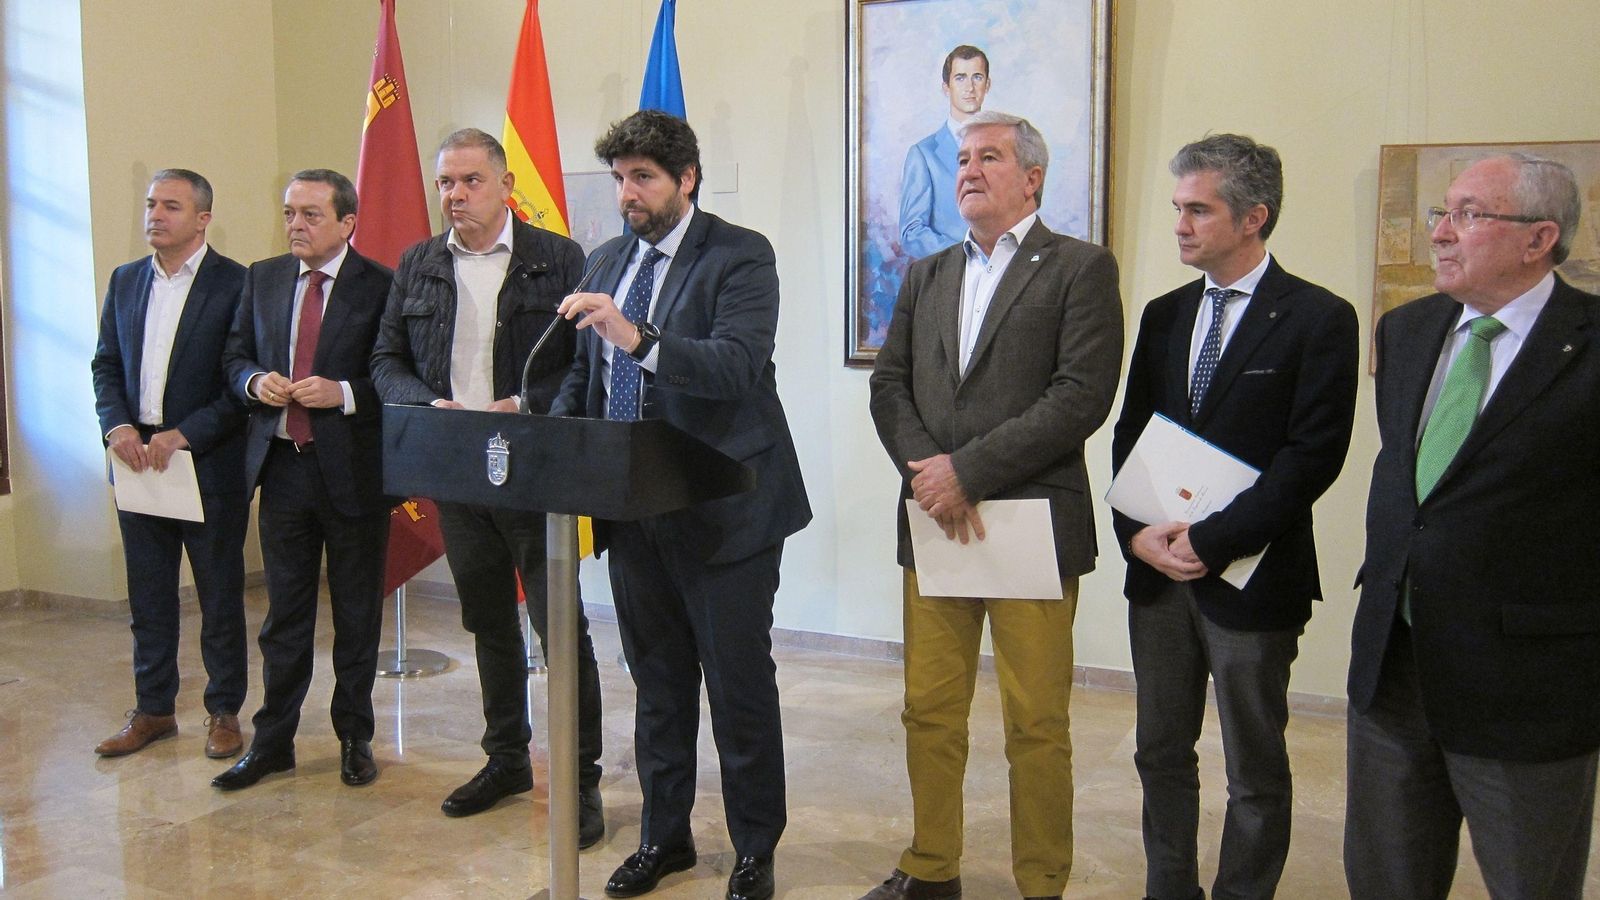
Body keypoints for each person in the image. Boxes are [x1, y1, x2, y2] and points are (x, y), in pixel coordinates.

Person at [551, 109, 811, 900]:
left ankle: (755, 849)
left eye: (644, 178)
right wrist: (554, 428)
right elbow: (582, 376)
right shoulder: (604, 259)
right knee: (658, 684)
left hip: (725, 508)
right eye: (621, 178)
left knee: (736, 687)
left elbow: (735, 365)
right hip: (635, 512)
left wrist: (639, 339)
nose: (629, 194)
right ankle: (665, 838)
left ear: (686, 179)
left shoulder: (740, 255)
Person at [865, 110, 1123, 900]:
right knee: (929, 711)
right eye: (964, 158)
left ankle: (1041, 881)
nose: (969, 169)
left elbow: (1081, 396)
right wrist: (928, 476)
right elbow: (890, 385)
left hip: (1029, 526)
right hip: (936, 523)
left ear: (1033, 177)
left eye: (990, 157)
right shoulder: (928, 272)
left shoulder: (1080, 268)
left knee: (1036, 724)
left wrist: (967, 471)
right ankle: (931, 864)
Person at [1109, 134, 1359, 900]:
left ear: (1255, 217)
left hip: (1253, 577)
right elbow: (1132, 435)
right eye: (1176, 208)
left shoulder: (1319, 318)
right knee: (1160, 752)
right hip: (1160, 579)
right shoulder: (1163, 314)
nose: (1179, 224)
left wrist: (1213, 542)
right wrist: (1136, 537)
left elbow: (1311, 458)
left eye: (1197, 209)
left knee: (1254, 767)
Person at [1346, 153, 1600, 900]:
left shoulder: (1589, 342)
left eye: (1468, 214)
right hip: (1393, 663)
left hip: (1525, 684)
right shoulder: (1408, 330)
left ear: (1538, 238)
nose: (1442, 234)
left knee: (1530, 884)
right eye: (1440, 213)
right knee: (1386, 880)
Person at [370, 128, 606, 844]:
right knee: (487, 619)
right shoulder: (418, 262)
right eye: (445, 182)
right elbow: (385, 358)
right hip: (456, 465)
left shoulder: (558, 258)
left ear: (507, 187)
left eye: (471, 181)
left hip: (532, 465)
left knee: (558, 626)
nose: (455, 195)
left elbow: (584, 365)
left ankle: (579, 779)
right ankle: (506, 757)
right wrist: (423, 402)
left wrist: (525, 406)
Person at [212, 169, 394, 791]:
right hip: (282, 465)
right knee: (283, 614)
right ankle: (273, 741)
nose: (296, 225)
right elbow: (234, 355)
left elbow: (396, 375)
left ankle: (354, 737)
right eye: (290, 212)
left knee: (355, 611)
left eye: (311, 215)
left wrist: (342, 392)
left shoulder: (380, 286)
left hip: (352, 473)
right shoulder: (261, 278)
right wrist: (254, 382)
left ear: (347, 223)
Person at [90, 168, 250, 760]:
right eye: (152, 205)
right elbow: (105, 364)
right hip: (137, 460)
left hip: (205, 463)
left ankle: (224, 711)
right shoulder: (127, 280)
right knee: (149, 597)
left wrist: (187, 433)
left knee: (218, 596)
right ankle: (153, 709)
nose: (155, 215)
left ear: (203, 218)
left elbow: (242, 382)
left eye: (171, 206)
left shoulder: (236, 284)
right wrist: (118, 426)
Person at [899, 45, 991, 259]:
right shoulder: (923, 154)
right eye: (960, 78)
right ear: (946, 87)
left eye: (977, 77)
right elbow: (911, 232)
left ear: (987, 84)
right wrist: (968, 255)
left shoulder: (1007, 148)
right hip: (949, 277)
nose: (969, 87)